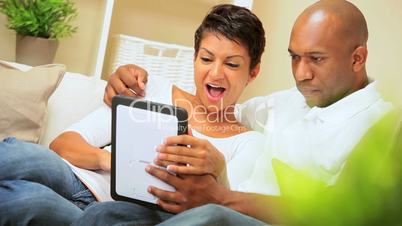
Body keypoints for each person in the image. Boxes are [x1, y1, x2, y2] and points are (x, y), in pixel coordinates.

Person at [83, 0, 394, 225]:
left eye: (316, 59)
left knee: (210, 216)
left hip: (231, 216)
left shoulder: (385, 127)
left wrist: (220, 197)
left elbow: (339, 215)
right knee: (111, 212)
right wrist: (129, 78)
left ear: (357, 58)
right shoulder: (287, 101)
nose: (301, 73)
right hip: (216, 210)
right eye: (295, 58)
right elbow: (216, 112)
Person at [0, 3, 266, 225]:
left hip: (106, 214)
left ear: (252, 72)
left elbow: (220, 207)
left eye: (232, 64)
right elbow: (63, 144)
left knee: (24, 199)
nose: (216, 73)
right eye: (206, 59)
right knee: (19, 154)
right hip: (77, 176)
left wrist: (215, 169)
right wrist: (113, 162)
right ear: (195, 58)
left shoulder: (248, 142)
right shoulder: (152, 88)